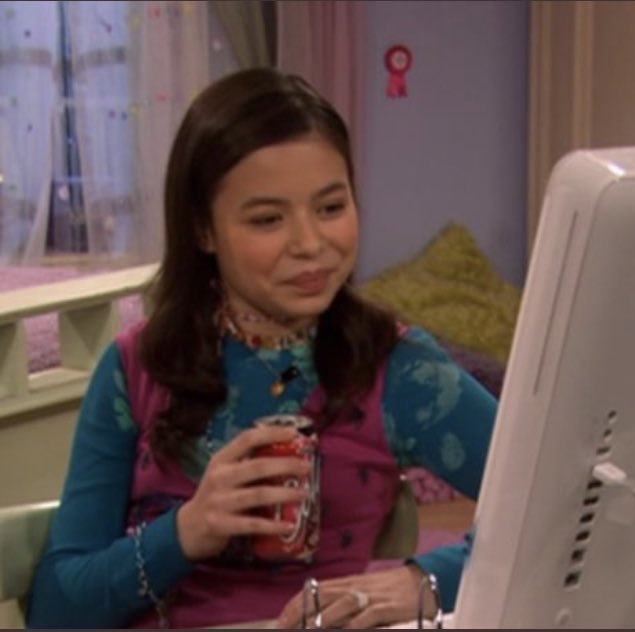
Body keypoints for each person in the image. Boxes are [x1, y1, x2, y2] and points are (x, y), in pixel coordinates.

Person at [27, 67, 497, 629]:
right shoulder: (139, 367)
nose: (310, 243)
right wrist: (185, 532)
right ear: (203, 229)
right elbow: (56, 611)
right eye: (268, 219)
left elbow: (564, 521)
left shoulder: (396, 369)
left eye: (330, 208)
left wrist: (424, 581)